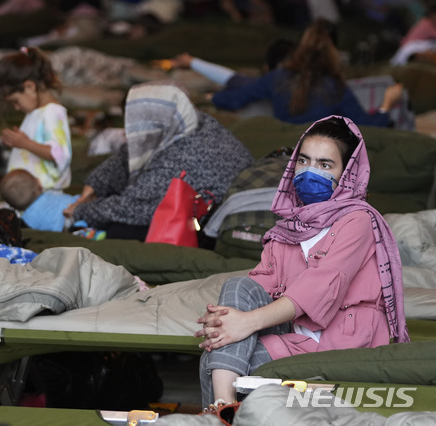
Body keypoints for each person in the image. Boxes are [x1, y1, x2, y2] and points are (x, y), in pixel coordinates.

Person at [195, 115, 409, 418]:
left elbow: (320, 288)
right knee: (237, 290)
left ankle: (220, 413)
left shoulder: (358, 220)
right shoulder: (290, 226)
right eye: (304, 161)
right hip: (297, 333)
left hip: (340, 338)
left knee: (219, 361)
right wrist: (225, 320)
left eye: (325, 165)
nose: (310, 172)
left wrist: (247, 322)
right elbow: (262, 284)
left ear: (348, 173)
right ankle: (223, 407)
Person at [63, 80, 254, 241]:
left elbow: (133, 208)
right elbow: (125, 157)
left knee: (121, 230)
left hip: (219, 223)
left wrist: (81, 210)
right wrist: (91, 189)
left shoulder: (184, 153)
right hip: (202, 203)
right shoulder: (188, 121)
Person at [210, 19, 405, 127]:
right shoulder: (335, 88)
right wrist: (387, 103)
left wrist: (211, 97)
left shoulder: (276, 78)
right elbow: (367, 127)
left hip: (285, 149)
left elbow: (234, 99)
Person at [0, 46, 73, 192]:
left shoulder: (51, 113)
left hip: (44, 196)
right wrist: (18, 142)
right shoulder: (36, 112)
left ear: (29, 87)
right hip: (30, 197)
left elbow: (59, 154)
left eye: (16, 101)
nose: (17, 107)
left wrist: (25, 143)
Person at [0, 168, 80, 232]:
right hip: (76, 210)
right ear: (39, 183)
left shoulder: (27, 221)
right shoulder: (52, 194)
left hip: (66, 230)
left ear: (13, 207)